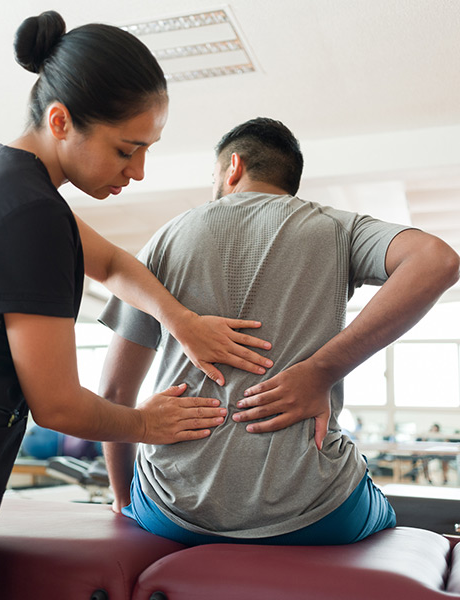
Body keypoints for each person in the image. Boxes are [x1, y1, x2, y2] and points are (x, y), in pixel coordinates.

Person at [0, 13, 273, 599]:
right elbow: (55, 404)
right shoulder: (28, 216)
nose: (139, 170)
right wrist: (145, 424)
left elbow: (114, 264)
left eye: (147, 149)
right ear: (61, 121)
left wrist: (180, 321)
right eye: (126, 149)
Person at [99, 117, 460, 547]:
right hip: (314, 512)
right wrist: (321, 371)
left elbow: (115, 394)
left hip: (170, 510)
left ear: (232, 168)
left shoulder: (165, 238)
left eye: (213, 177)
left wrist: (122, 498)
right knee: (383, 511)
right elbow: (436, 260)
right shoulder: (337, 227)